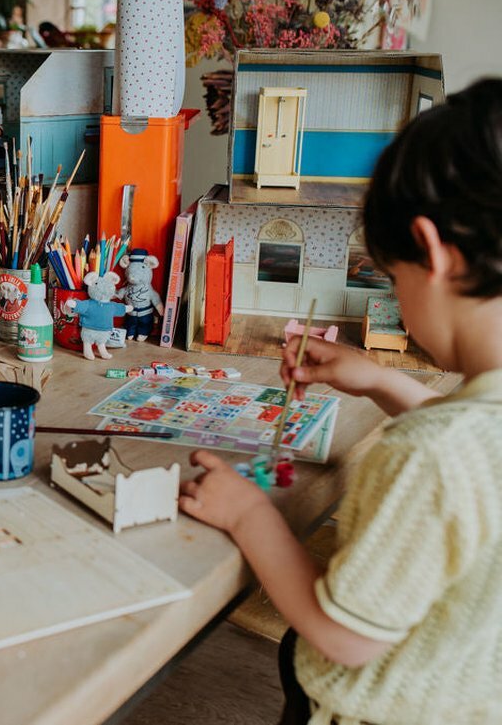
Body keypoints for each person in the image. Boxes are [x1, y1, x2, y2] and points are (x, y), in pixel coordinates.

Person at [179, 79, 502, 725]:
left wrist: (251, 515)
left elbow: (344, 632)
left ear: (432, 254)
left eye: (393, 275)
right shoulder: (463, 436)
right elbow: (478, 456)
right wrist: (380, 380)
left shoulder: (428, 455)